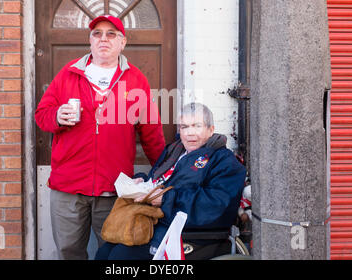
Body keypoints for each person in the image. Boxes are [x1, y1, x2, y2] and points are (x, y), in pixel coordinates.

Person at [35, 15, 166, 260]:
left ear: (122, 42)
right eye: (97, 33)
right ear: (90, 41)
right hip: (68, 187)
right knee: (68, 252)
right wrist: (56, 117)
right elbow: (42, 115)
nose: (103, 39)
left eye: (111, 34)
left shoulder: (135, 79)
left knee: (111, 252)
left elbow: (151, 133)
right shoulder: (69, 74)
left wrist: (163, 175)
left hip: (113, 187)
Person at [95, 102, 247, 260]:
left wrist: (166, 199)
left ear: (211, 129)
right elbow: (163, 180)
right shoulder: (174, 150)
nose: (190, 133)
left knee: (120, 257)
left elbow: (215, 204)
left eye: (197, 126)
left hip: (188, 233)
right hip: (155, 223)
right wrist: (143, 181)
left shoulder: (224, 161)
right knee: (105, 252)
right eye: (184, 127)